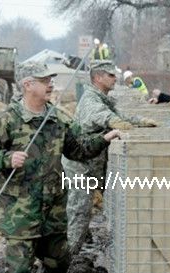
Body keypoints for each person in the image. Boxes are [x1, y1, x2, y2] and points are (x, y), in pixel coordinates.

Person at [0, 61, 121, 273]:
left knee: (60, 258)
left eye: (51, 79)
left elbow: (78, 150)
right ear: (28, 84)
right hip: (19, 207)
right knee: (20, 263)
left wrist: (105, 137)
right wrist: (6, 158)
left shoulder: (58, 118)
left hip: (52, 206)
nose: (50, 84)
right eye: (45, 80)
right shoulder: (5, 120)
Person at [62, 60, 158, 255]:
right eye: (111, 75)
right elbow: (105, 116)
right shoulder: (91, 100)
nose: (115, 78)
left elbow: (118, 114)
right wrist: (117, 124)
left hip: (91, 164)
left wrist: (142, 122)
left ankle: (68, 253)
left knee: (80, 213)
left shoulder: (102, 97)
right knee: (78, 213)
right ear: (98, 77)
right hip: (80, 166)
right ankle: (65, 261)